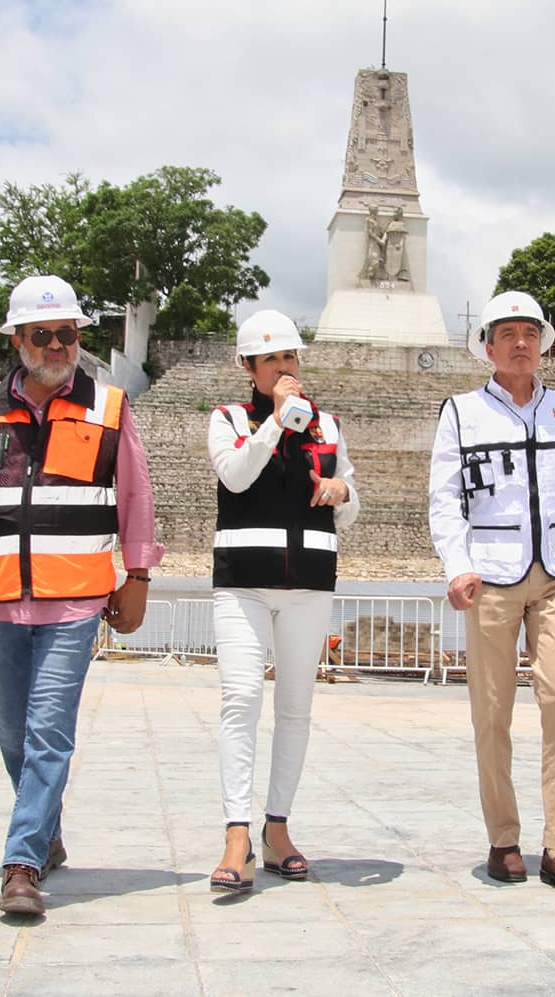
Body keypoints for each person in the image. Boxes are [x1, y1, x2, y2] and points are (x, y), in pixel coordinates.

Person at [0, 274, 162, 917]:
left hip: (76, 601)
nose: (58, 345)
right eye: (44, 335)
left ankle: (21, 862)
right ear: (18, 339)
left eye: (68, 334)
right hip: (0, 597)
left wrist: (137, 577)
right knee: (13, 732)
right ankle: (45, 830)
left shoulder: (109, 407)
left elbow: (137, 499)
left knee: (48, 730)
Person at [428, 291, 555, 892]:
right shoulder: (460, 412)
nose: (520, 343)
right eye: (507, 333)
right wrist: (457, 567)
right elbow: (445, 500)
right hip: (490, 577)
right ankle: (503, 839)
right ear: (487, 347)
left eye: (530, 332)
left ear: (544, 342)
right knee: (492, 712)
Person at [206, 310, 359, 894]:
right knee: (241, 698)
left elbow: (349, 498)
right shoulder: (227, 420)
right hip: (243, 580)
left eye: (290, 358)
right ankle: (236, 834)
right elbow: (238, 478)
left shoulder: (329, 426)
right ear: (249, 367)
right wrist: (274, 424)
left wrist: (344, 491)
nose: (284, 368)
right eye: (271, 360)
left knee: (295, 708)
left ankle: (278, 828)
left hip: (309, 584)